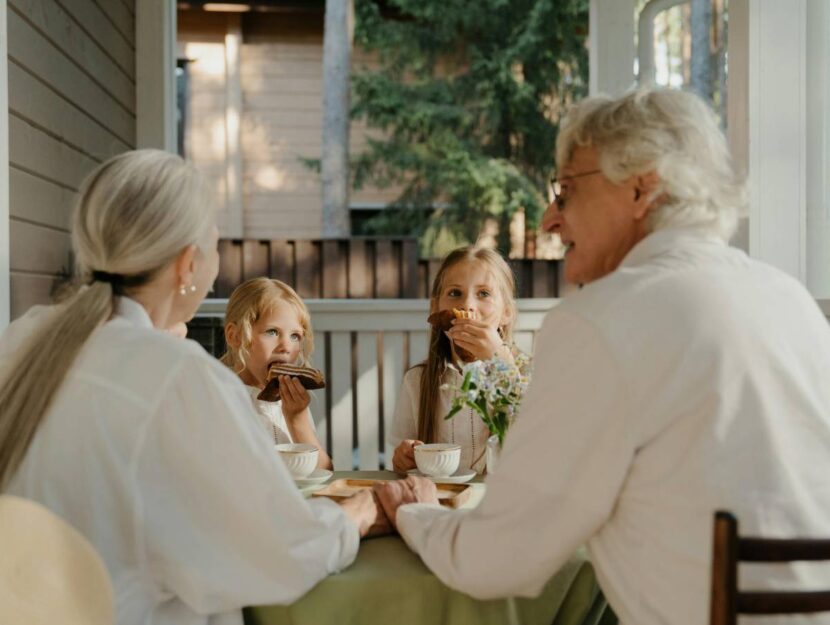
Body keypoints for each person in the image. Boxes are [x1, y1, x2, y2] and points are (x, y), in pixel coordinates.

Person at [374, 88, 830, 625]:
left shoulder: (600, 320)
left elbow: (496, 559)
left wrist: (415, 512)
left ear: (642, 187)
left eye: (565, 191)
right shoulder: (790, 300)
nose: (549, 219)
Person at [0, 150, 386, 625]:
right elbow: (277, 555)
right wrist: (359, 515)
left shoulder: (20, 339)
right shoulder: (178, 377)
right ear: (188, 265)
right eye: (216, 245)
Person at [388, 246, 527, 474]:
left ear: (506, 313)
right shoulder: (417, 381)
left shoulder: (526, 375)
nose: (467, 306)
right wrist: (403, 458)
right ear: (436, 308)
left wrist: (502, 364)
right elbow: (402, 460)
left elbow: (537, 446)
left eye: (483, 293)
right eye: (455, 293)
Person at [221, 277, 332, 469]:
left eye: (295, 336)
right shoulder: (220, 396)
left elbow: (324, 473)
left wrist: (297, 420)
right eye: (272, 332)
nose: (286, 346)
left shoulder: (291, 401)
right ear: (235, 336)